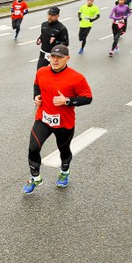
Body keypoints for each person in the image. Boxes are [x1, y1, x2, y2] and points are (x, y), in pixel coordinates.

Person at [23, 44, 92, 193]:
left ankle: (64, 173)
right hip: (43, 118)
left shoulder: (76, 78)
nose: (55, 60)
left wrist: (67, 101)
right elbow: (37, 85)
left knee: (64, 150)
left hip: (64, 123)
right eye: (52, 56)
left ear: (67, 58)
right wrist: (36, 97)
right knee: (33, 148)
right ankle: (35, 178)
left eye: (59, 57)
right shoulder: (42, 72)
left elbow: (88, 98)